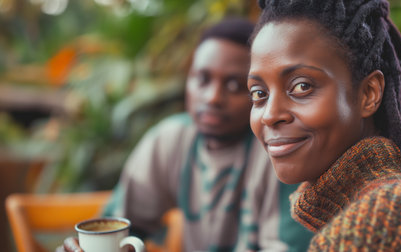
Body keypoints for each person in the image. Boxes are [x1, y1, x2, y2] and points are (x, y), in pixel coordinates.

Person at [57, 17, 313, 252]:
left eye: (235, 85)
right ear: (187, 82)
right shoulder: (171, 139)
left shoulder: (281, 148)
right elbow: (121, 227)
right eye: (202, 79)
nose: (213, 97)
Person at [247, 0, 401, 251]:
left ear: (368, 94)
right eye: (259, 93)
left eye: (302, 86)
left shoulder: (389, 214)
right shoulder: (389, 202)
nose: (270, 115)